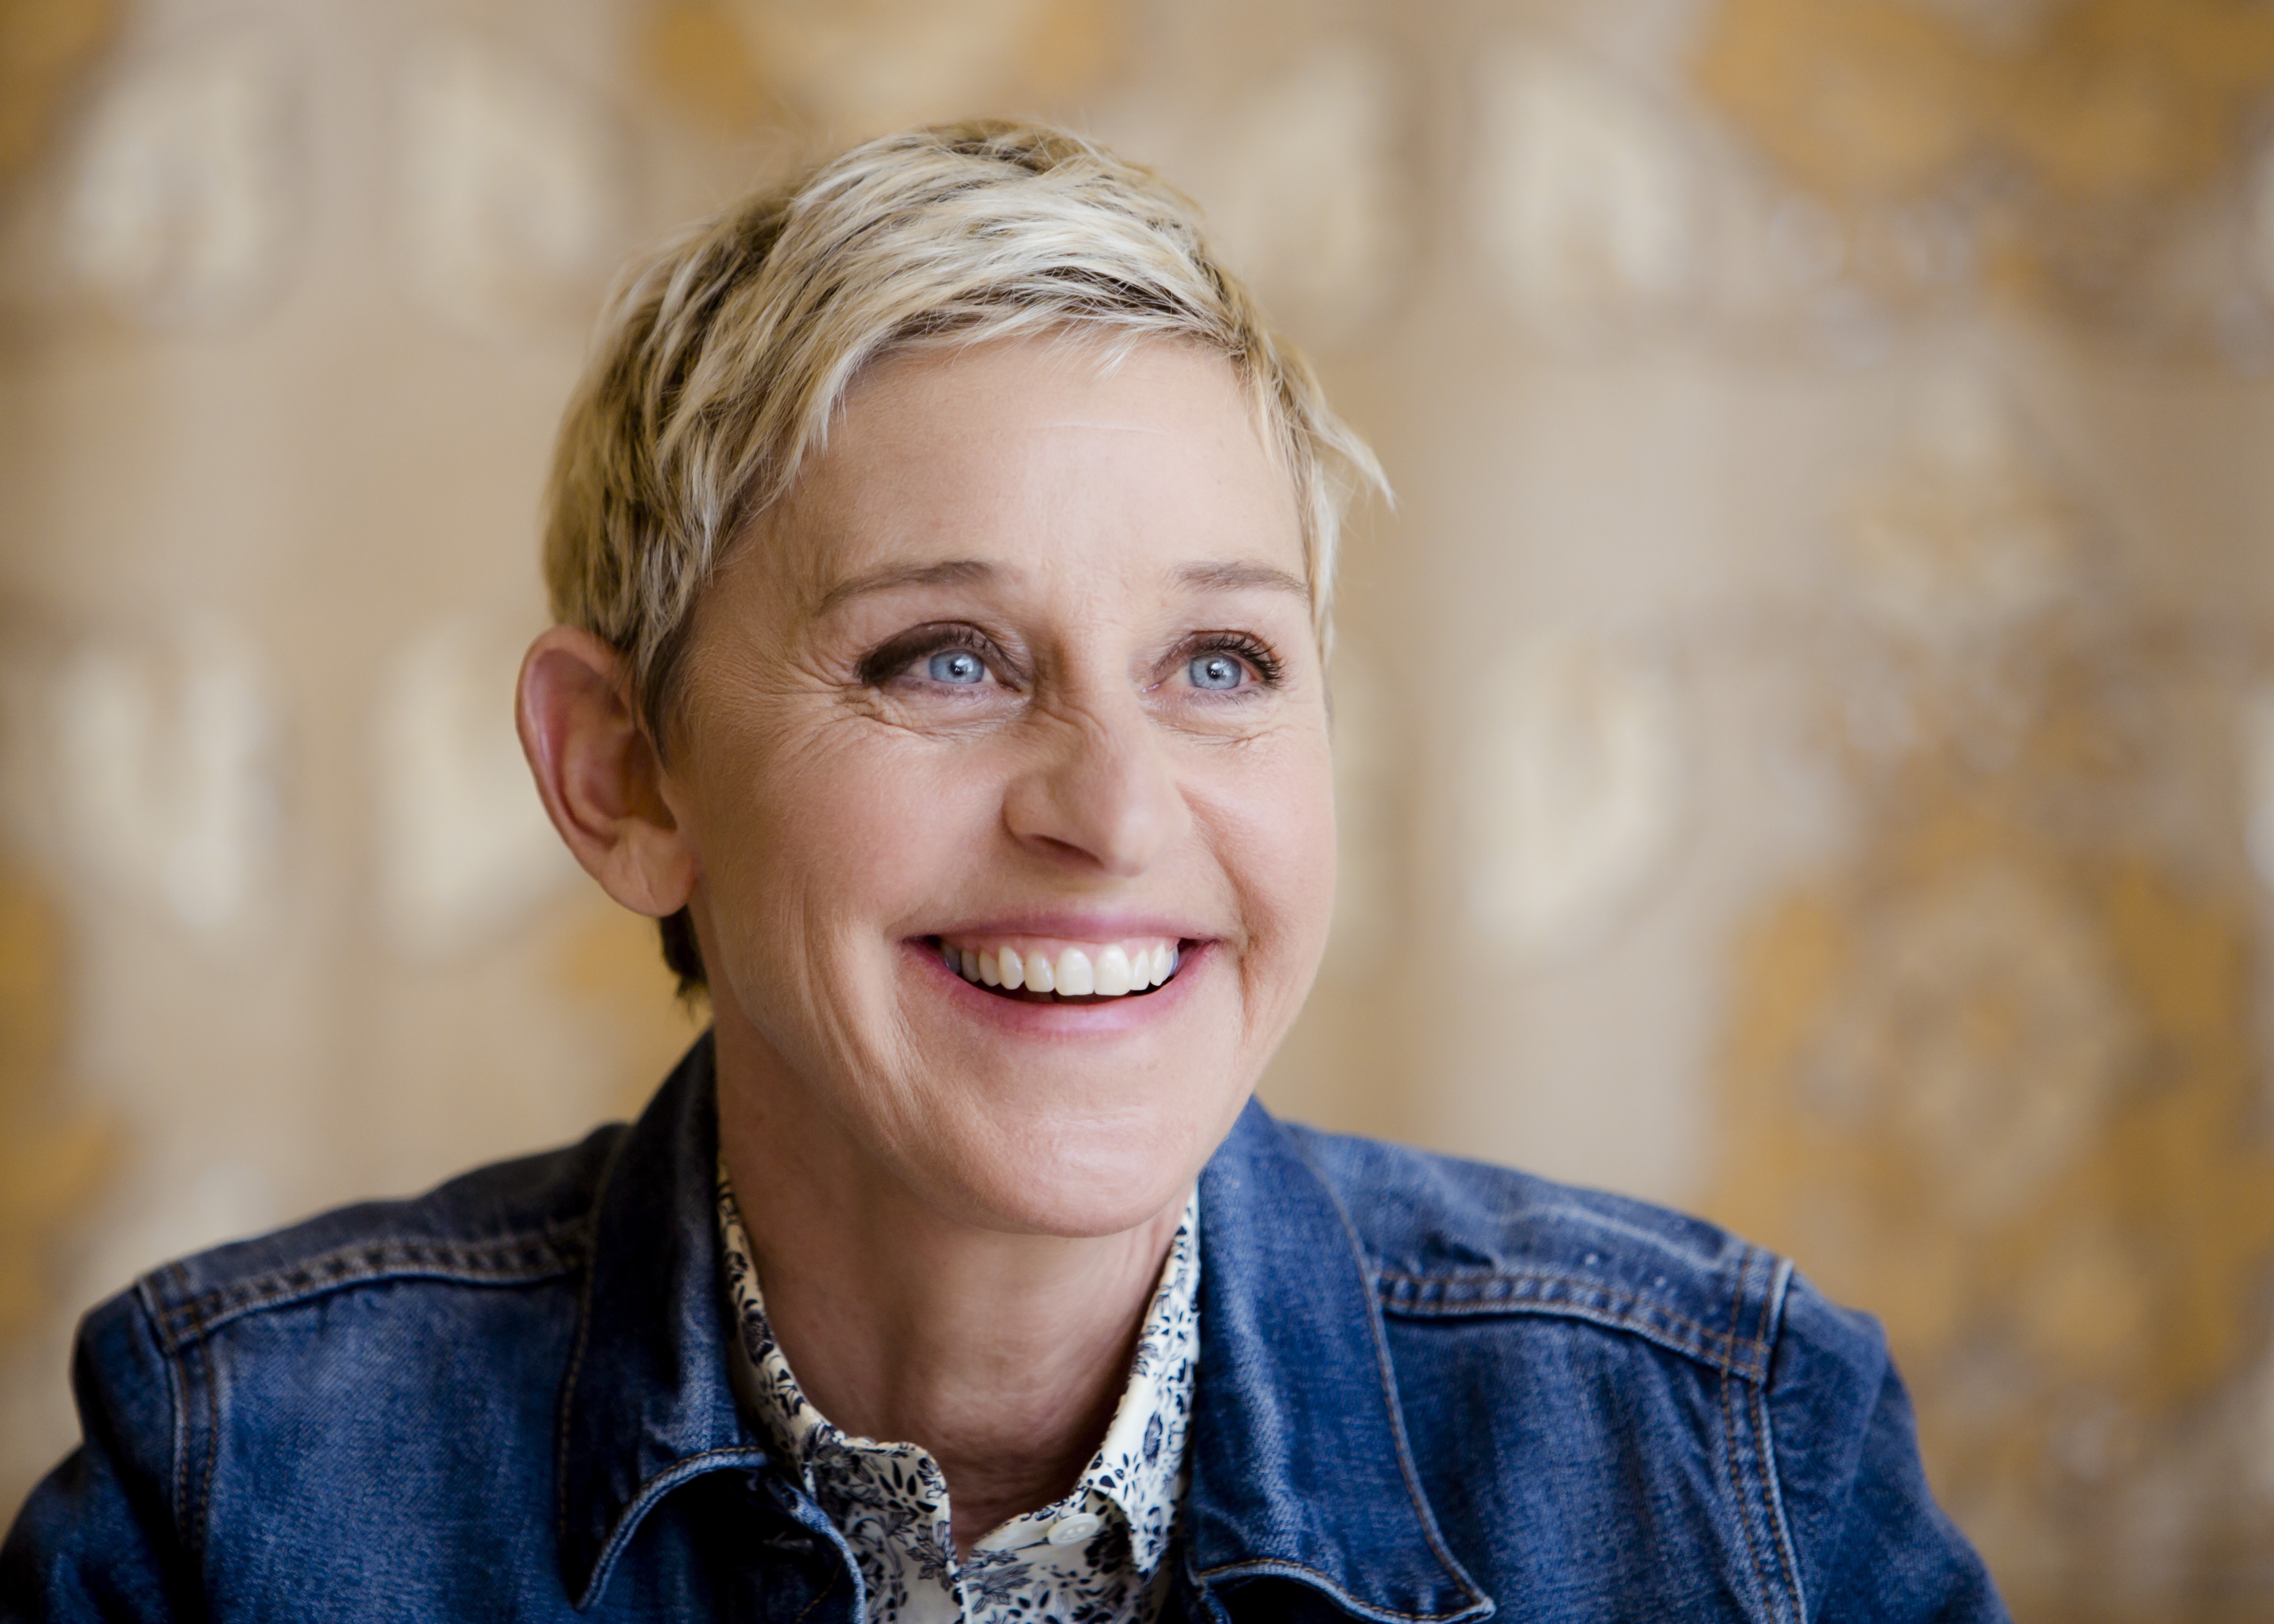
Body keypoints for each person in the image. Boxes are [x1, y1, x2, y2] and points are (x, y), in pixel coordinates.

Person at [1, 121, 2006, 1623]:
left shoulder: (1736, 1468)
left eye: (1219, 661)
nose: (1114, 811)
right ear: (623, 773)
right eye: (943, 658)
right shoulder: (232, 1495)